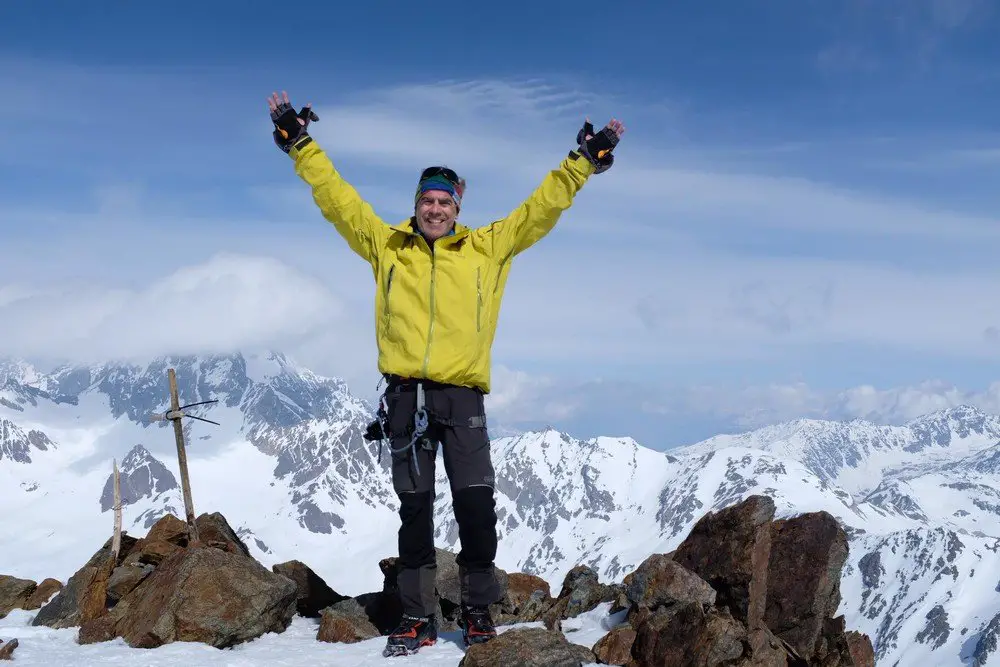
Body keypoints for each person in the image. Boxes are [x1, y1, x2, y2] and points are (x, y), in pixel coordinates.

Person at [266, 90, 625, 657]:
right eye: (427, 200)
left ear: (458, 208)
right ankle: (416, 618)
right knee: (415, 513)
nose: (435, 209)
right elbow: (336, 198)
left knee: (476, 508)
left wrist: (583, 160)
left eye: (445, 202)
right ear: (417, 205)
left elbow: (542, 208)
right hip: (405, 398)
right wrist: (300, 144)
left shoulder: (487, 250)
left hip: (462, 399)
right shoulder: (388, 246)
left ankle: (477, 611)